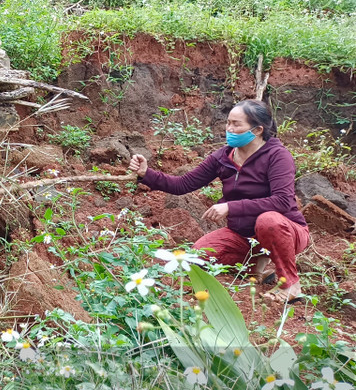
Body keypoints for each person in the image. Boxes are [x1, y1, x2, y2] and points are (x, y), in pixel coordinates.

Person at [128, 99, 309, 303]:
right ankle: (256, 266)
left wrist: (230, 207)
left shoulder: (277, 156)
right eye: (228, 123)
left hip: (285, 231)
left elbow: (283, 201)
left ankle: (291, 285)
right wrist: (147, 173)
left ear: (257, 130)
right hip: (242, 235)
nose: (229, 129)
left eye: (236, 124)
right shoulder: (223, 156)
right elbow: (182, 184)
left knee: (268, 221)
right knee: (197, 259)